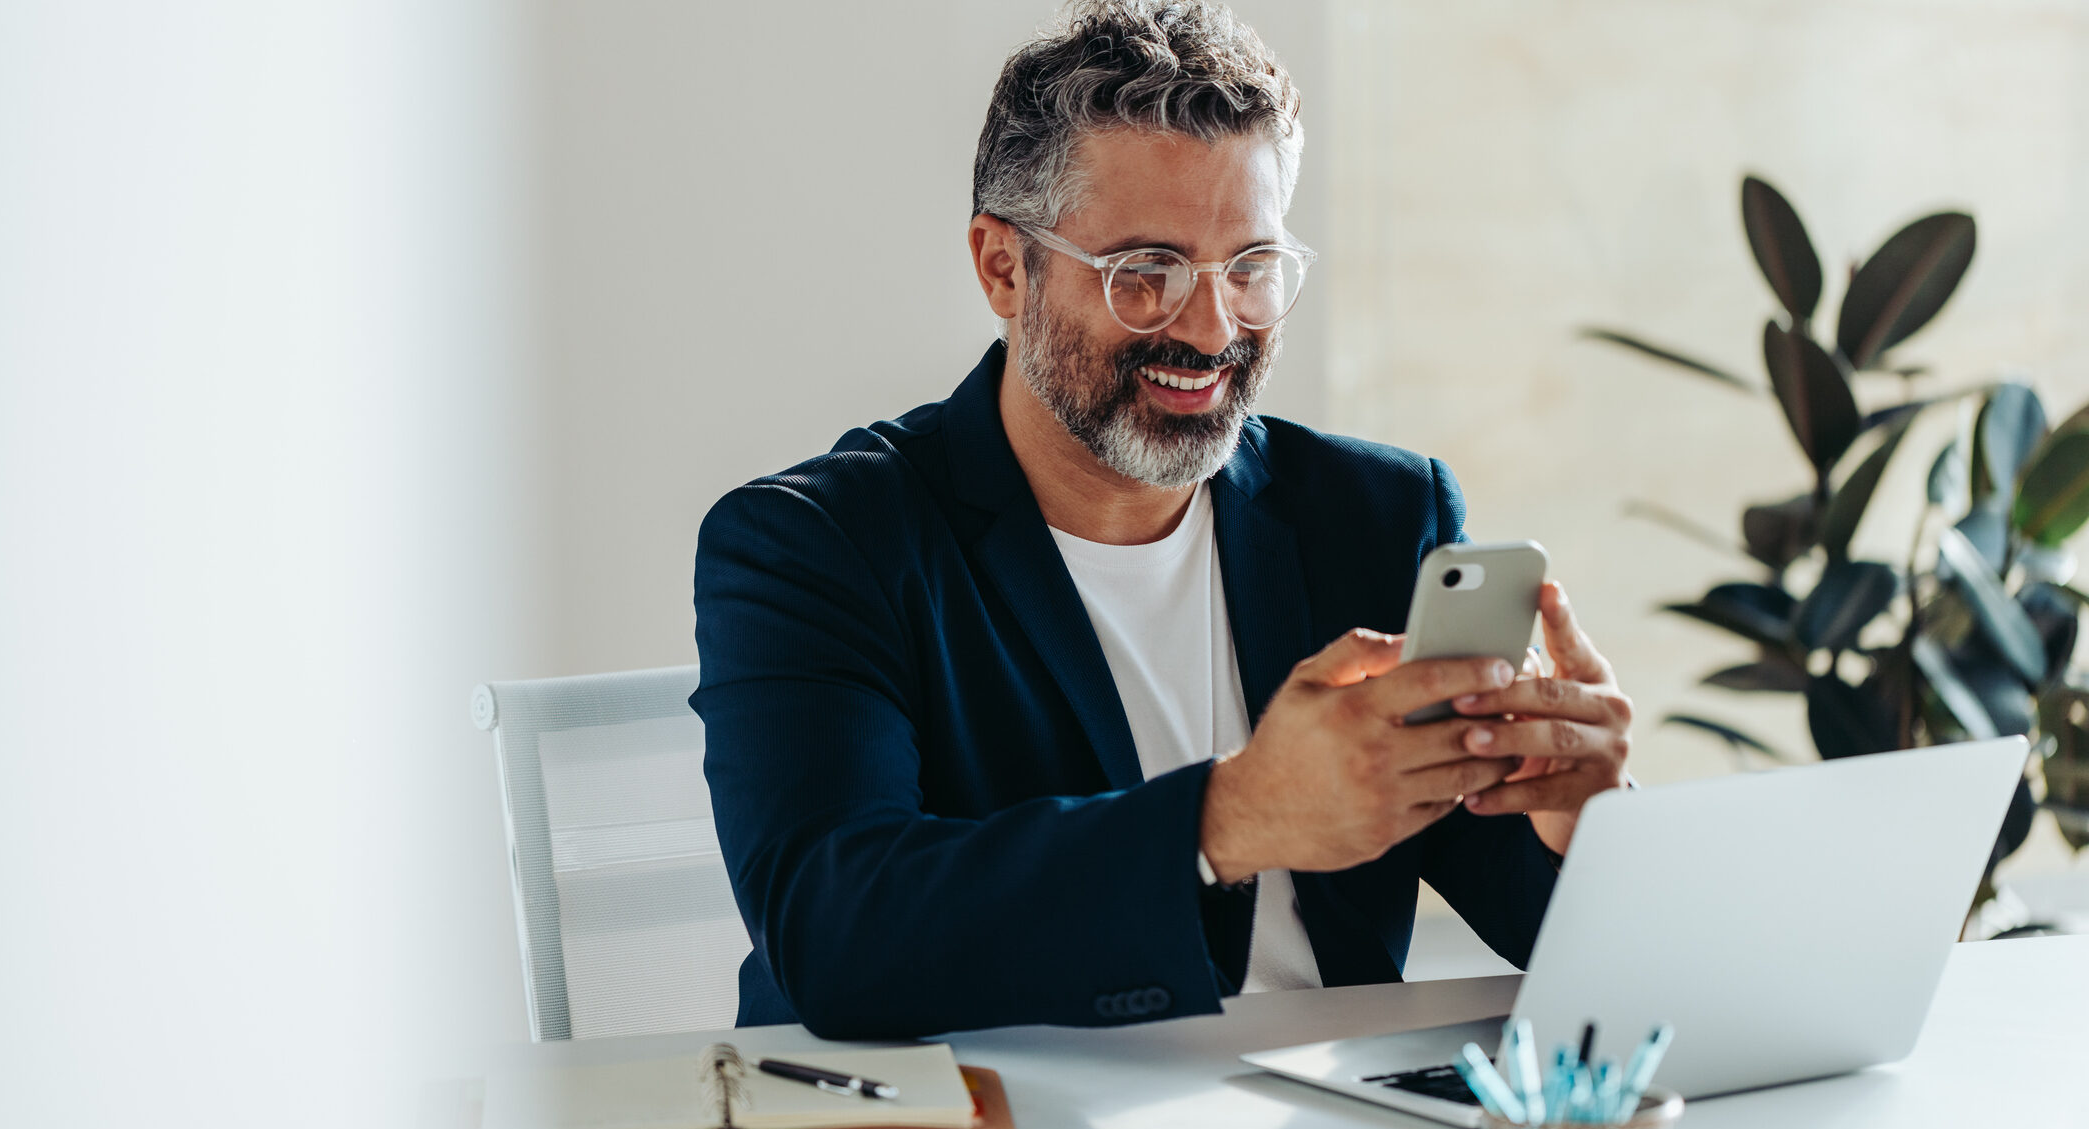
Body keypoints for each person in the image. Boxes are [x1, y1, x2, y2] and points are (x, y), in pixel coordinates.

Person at [691, 0, 1633, 1040]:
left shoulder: (1375, 513)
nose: (1210, 326)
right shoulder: (814, 545)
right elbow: (836, 935)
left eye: (1250, 268)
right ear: (1002, 267)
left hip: (1320, 1117)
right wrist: (1228, 819)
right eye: (1145, 272)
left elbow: (1539, 918)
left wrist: (1572, 827)